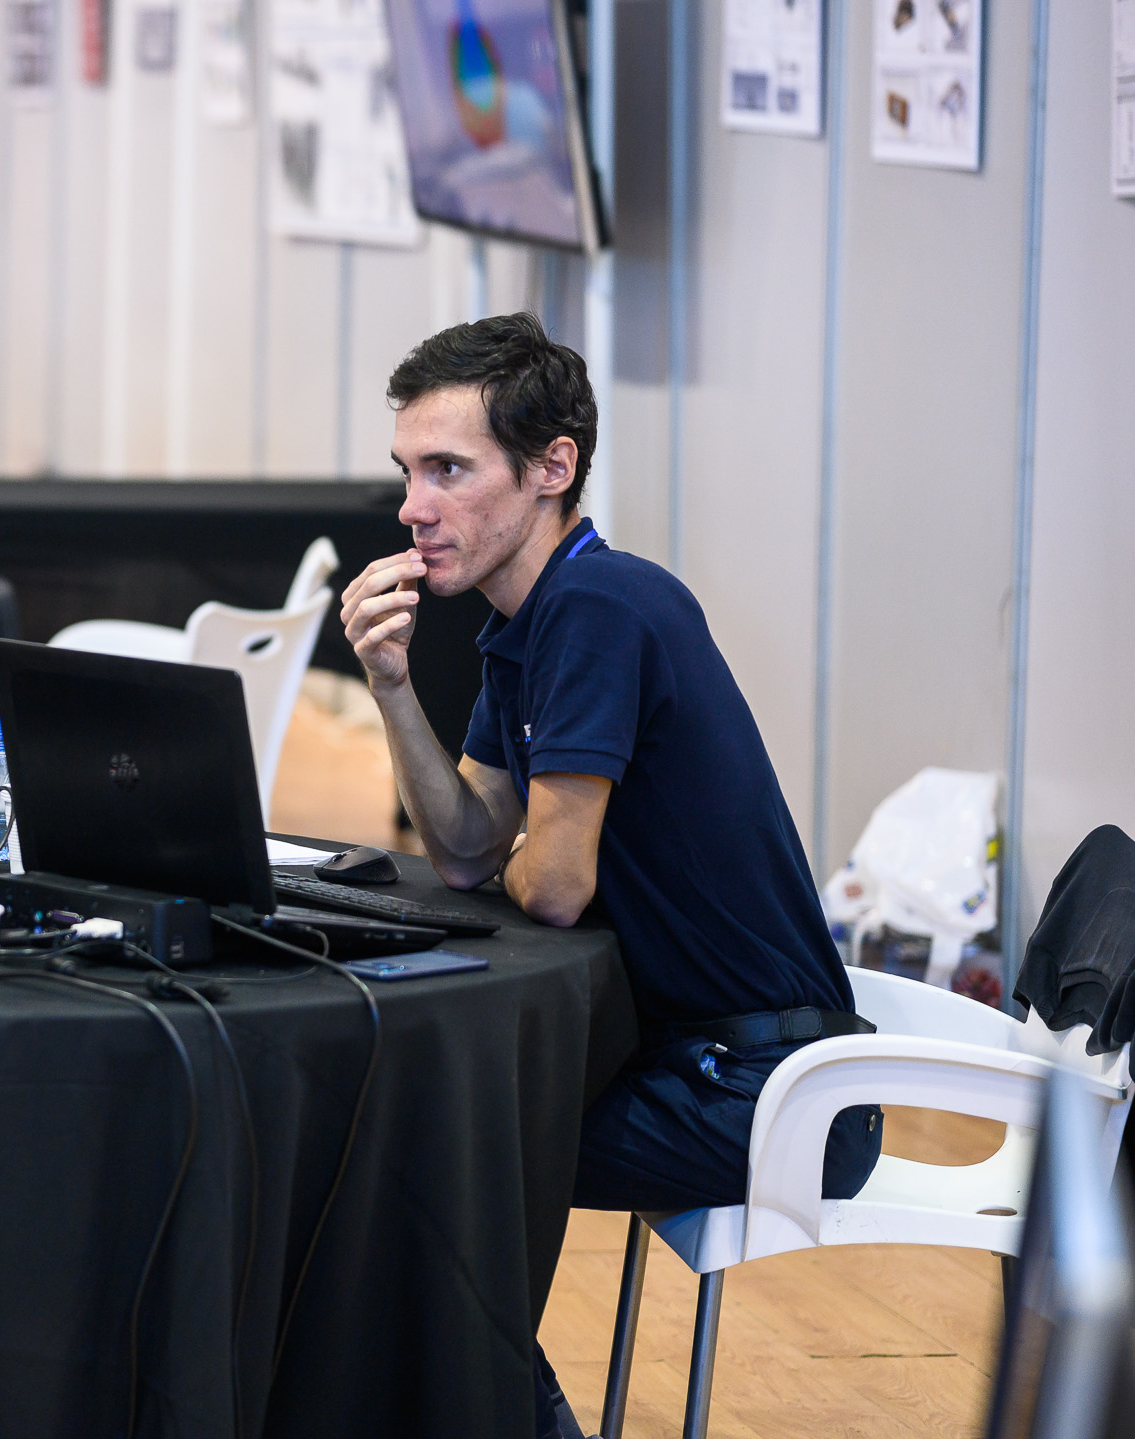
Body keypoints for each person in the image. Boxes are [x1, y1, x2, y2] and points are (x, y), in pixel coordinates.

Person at [331, 312, 881, 1439]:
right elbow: (469, 846)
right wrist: (389, 684)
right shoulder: (526, 622)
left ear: (552, 468)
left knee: (416, 1157)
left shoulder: (599, 605)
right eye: (406, 471)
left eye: (448, 470)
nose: (412, 507)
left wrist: (526, 851)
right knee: (406, 1137)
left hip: (769, 1093)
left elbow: (552, 887)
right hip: (699, 1062)